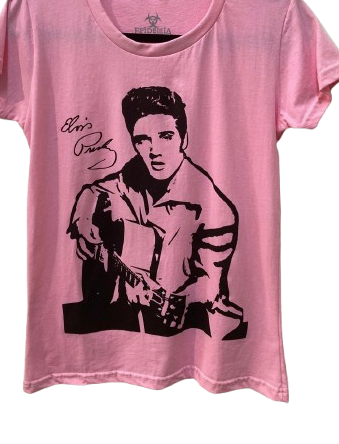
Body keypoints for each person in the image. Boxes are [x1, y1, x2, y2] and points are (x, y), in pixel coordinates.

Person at [63, 86, 247, 340]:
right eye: (142, 140)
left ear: (183, 139)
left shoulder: (216, 211)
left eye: (165, 136)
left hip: (179, 336)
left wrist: (161, 297)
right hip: (113, 330)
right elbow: (96, 189)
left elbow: (208, 286)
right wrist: (83, 212)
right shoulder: (128, 178)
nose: (154, 150)